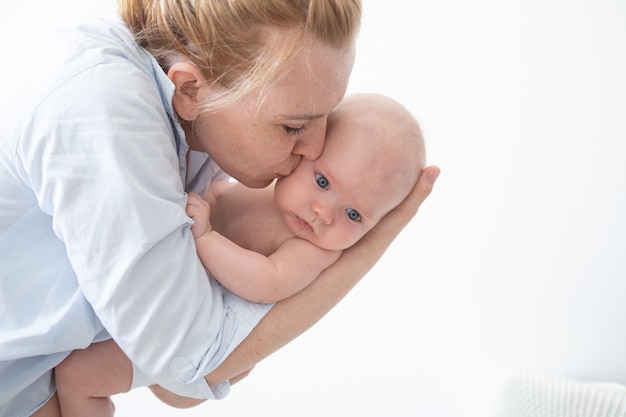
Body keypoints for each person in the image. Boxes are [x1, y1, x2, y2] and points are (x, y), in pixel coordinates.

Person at [0, 0, 439, 415]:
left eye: (327, 116)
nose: (317, 148)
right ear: (191, 89)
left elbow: (179, 384)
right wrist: (380, 234)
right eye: (293, 126)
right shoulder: (105, 115)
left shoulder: (198, 131)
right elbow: (191, 358)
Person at [54, 92, 427, 416]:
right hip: (161, 304)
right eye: (323, 181)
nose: (323, 213)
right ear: (304, 148)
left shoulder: (311, 250)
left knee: (78, 374)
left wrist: (207, 237)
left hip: (193, 349)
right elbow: (221, 195)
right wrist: (212, 197)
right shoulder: (264, 185)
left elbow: (266, 281)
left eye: (353, 214)